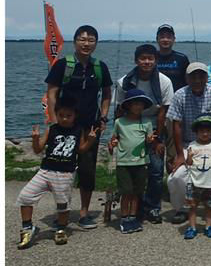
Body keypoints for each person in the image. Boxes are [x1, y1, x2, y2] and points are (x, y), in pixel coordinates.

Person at [44, 24, 112, 230]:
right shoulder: (62, 65)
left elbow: (107, 94)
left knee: (87, 168)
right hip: (65, 125)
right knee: (60, 168)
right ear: (74, 41)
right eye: (82, 39)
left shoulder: (100, 67)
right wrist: (55, 119)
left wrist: (104, 116)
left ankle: (83, 212)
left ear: (96, 43)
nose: (86, 43)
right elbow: (52, 93)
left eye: (91, 40)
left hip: (90, 126)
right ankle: (61, 212)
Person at [17, 97, 98, 249]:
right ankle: (27, 228)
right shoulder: (52, 129)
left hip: (65, 174)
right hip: (46, 170)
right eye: (61, 115)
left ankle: (61, 228)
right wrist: (35, 139)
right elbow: (38, 149)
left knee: (62, 204)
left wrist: (90, 141)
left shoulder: (78, 130)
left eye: (68, 115)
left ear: (75, 115)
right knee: (26, 196)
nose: (65, 119)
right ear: (56, 114)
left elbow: (80, 150)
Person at [111, 44, 173, 224]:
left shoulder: (164, 81)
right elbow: (119, 110)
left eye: (150, 58)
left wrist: (157, 139)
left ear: (156, 60)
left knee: (155, 169)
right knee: (132, 169)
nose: (147, 62)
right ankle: (134, 207)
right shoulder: (125, 81)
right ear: (136, 60)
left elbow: (163, 111)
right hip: (130, 125)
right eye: (143, 58)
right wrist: (118, 135)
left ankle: (153, 207)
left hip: (154, 123)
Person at [166, 62, 211, 224]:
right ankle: (182, 208)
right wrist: (180, 154)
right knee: (176, 177)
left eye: (201, 76)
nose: (197, 79)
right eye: (193, 76)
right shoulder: (180, 95)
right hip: (188, 144)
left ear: (206, 77)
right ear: (186, 78)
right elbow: (176, 125)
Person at [108, 89, 159, 234]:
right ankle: (124, 218)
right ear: (128, 105)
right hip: (123, 163)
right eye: (135, 103)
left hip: (141, 162)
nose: (138, 107)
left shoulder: (147, 123)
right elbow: (113, 141)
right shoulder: (119, 122)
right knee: (126, 191)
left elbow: (149, 143)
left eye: (141, 104)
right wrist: (111, 145)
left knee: (137, 192)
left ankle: (133, 217)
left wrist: (150, 142)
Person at [154, 24, 190, 194]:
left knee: (173, 151)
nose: (165, 39)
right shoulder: (151, 58)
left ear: (174, 39)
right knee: (154, 148)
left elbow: (189, 84)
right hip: (154, 110)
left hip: (175, 112)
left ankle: (172, 187)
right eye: (162, 36)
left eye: (169, 36)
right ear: (157, 39)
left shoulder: (182, 59)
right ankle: (153, 186)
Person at [182, 116, 211, 240]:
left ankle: (208, 226)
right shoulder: (192, 145)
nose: (205, 133)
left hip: (209, 182)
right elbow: (188, 163)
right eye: (201, 131)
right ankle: (192, 227)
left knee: (209, 206)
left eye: (208, 131)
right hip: (194, 181)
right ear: (196, 132)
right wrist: (190, 156)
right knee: (192, 206)